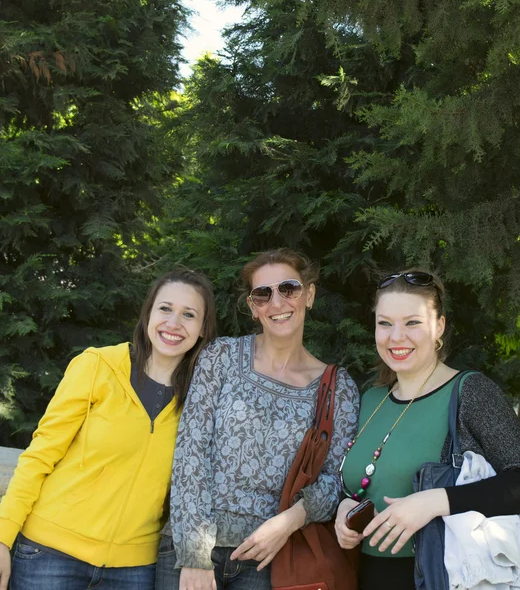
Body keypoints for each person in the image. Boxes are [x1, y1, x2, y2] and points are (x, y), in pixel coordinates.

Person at [0, 268, 217, 590]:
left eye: (189, 314)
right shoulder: (97, 366)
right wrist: (3, 537)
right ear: (147, 315)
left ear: (201, 329)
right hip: (50, 555)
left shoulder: (201, 399)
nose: (174, 323)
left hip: (133, 570)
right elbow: (40, 455)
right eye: (165, 309)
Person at [156, 248, 359, 590]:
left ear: (309, 295)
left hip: (268, 561)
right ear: (253, 307)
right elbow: (190, 454)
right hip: (188, 552)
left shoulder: (339, 389)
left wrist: (289, 522)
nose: (277, 302)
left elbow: (337, 479)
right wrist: (194, 556)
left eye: (289, 288)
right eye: (263, 294)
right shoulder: (220, 356)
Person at [335, 269, 520, 590]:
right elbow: (362, 482)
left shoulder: (470, 392)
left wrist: (437, 501)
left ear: (440, 327)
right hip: (364, 576)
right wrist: (343, 507)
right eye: (385, 323)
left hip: (442, 577)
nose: (396, 337)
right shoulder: (371, 398)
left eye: (412, 322)